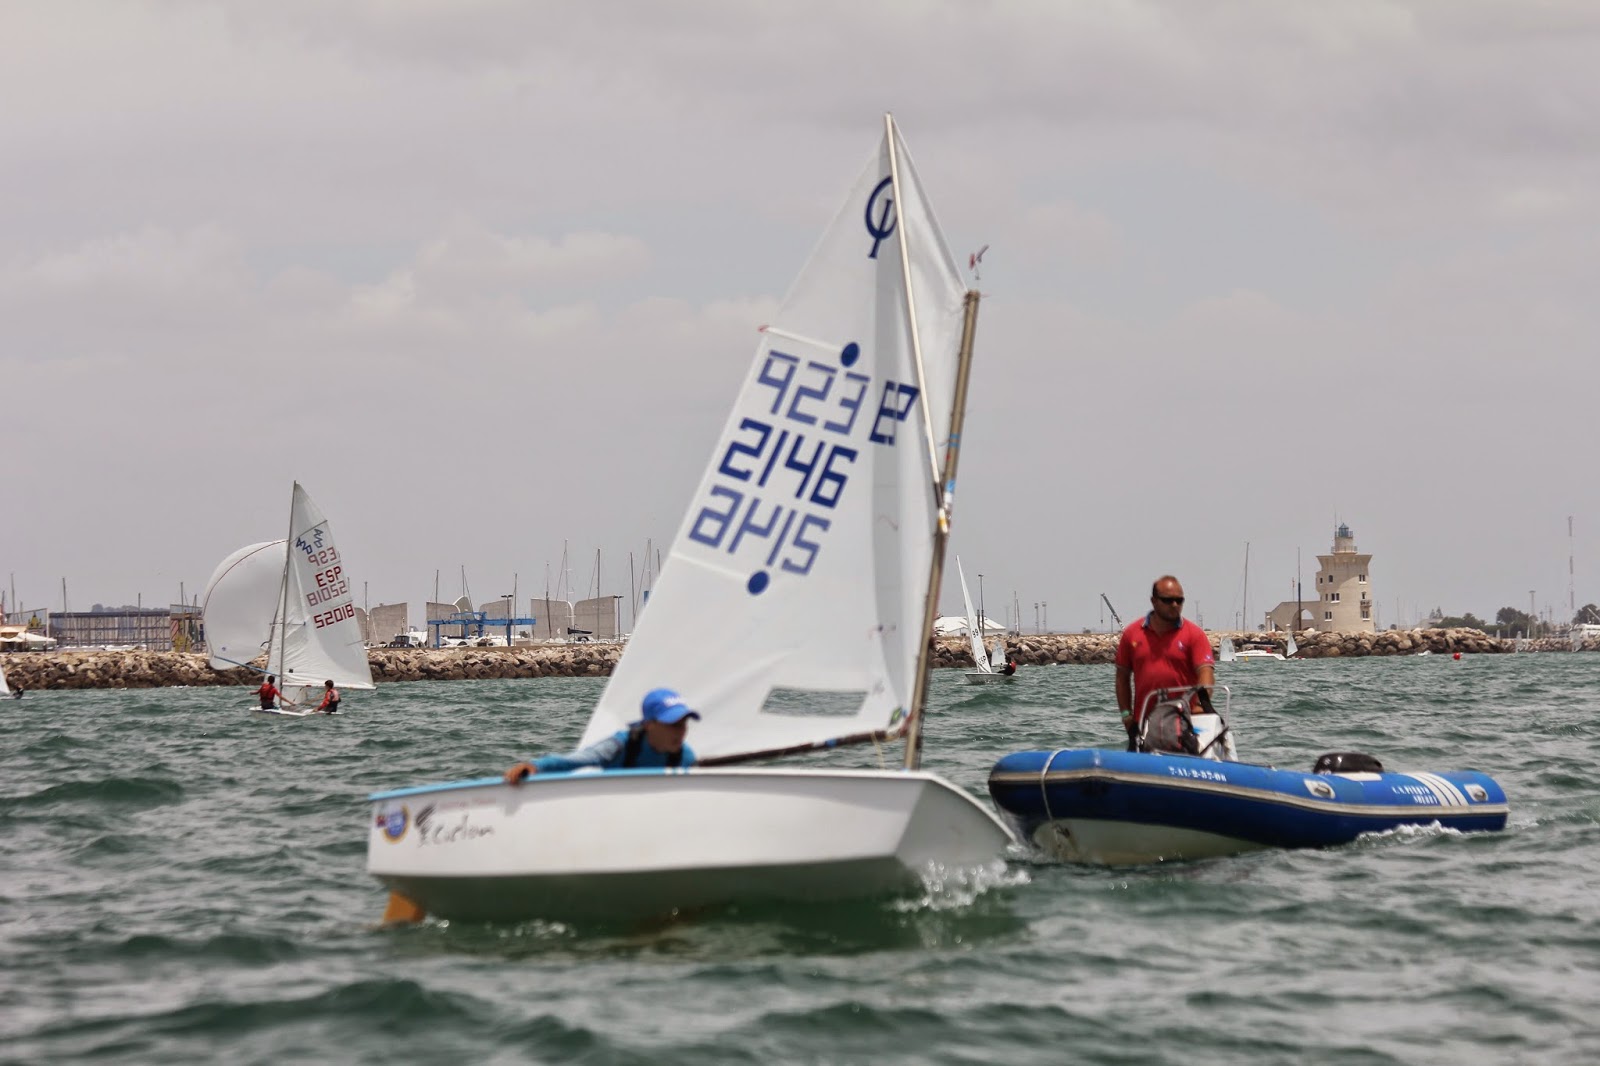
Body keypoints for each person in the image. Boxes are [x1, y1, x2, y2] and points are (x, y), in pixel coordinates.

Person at [504, 687, 701, 782]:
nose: (681, 731)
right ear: (649, 725)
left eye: (684, 723)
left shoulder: (686, 757)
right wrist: (535, 767)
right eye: (673, 724)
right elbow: (576, 760)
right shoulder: (621, 745)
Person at [1114, 575, 1215, 751]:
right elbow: (1122, 677)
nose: (1175, 605)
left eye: (1179, 600)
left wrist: (1200, 704)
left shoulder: (1194, 634)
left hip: (1184, 722)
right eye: (1168, 601)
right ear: (1154, 601)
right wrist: (1126, 716)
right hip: (1143, 723)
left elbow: (1205, 671)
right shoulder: (1132, 634)